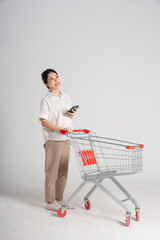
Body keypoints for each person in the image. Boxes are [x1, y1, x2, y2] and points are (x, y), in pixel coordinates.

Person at [39, 69, 77, 211]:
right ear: (46, 84)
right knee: (51, 172)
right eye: (51, 79)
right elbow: (44, 121)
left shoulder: (66, 97)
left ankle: (59, 198)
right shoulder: (46, 100)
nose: (56, 80)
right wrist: (59, 129)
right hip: (53, 139)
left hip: (67, 138)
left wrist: (71, 115)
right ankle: (49, 202)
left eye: (57, 77)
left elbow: (67, 118)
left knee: (63, 172)